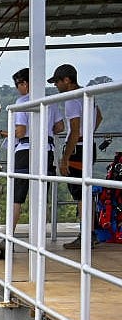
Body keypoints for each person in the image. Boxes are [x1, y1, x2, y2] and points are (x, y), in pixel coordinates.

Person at [49, 63, 104, 249]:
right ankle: (91, 233)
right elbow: (99, 117)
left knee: (80, 193)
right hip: (89, 145)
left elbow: (73, 130)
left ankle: (86, 236)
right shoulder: (87, 95)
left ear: (67, 80)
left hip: (77, 149)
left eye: (57, 82)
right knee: (85, 190)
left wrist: (65, 158)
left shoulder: (72, 99)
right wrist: (88, 134)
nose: (56, 85)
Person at [8, 68, 56, 227]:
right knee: (42, 195)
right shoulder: (51, 101)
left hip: (25, 150)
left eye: (18, 85)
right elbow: (60, 127)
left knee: (17, 196)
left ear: (25, 83)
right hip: (47, 149)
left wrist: (7, 133)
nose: (18, 89)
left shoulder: (22, 102)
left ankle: (10, 234)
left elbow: (21, 132)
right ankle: (41, 235)